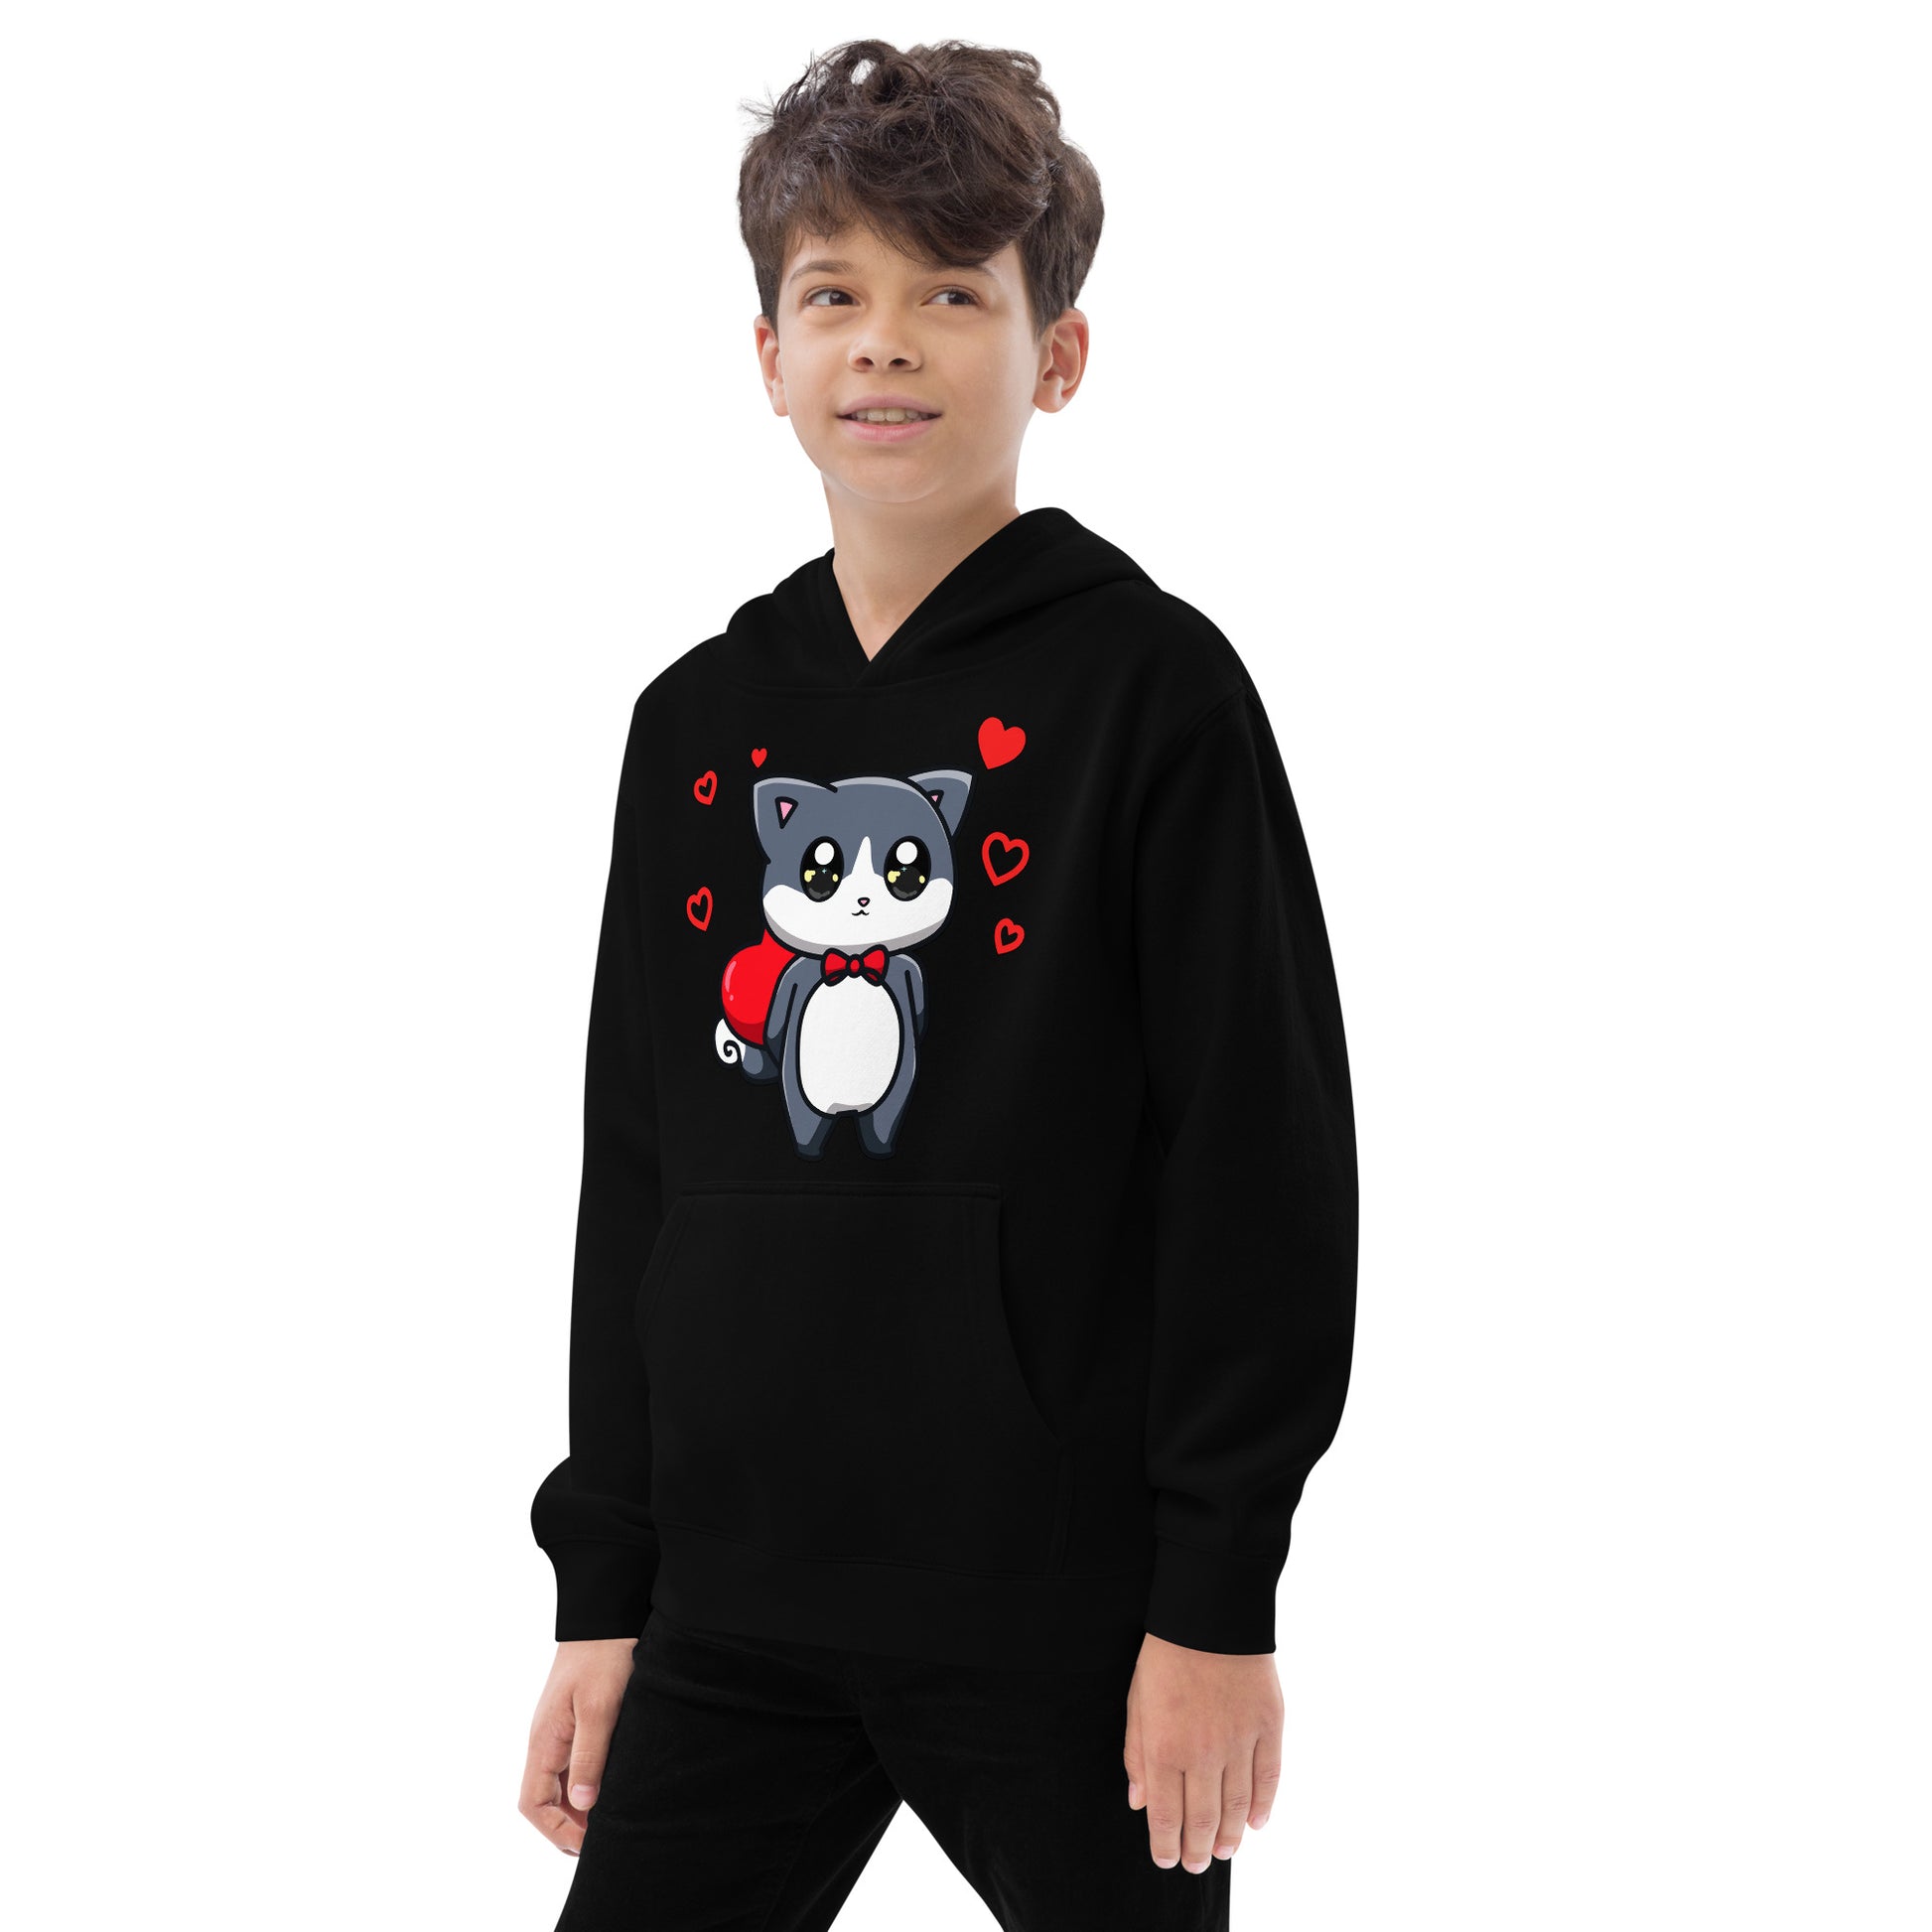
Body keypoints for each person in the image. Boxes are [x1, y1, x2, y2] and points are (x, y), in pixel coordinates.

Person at [517, 37, 1358, 1931]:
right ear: (768, 356)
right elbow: (636, 1172)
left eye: (951, 294)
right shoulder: (692, 723)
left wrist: (1214, 1603)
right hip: (731, 1601)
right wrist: (603, 1587)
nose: (884, 342)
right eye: (835, 295)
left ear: (1058, 354)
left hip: (1063, 1611)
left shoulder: (1154, 692)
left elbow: (1260, 1164)